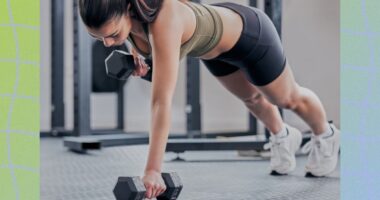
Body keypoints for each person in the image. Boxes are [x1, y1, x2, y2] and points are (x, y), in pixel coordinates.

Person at [79, 0, 340, 198]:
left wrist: (152, 170)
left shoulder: (164, 19)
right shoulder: (131, 20)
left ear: (127, 8)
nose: (108, 43)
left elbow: (161, 101)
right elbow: (159, 66)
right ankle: (283, 135)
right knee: (252, 100)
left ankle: (326, 134)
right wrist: (144, 65)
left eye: (112, 34)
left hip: (251, 36)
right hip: (215, 51)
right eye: (98, 37)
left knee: (287, 98)